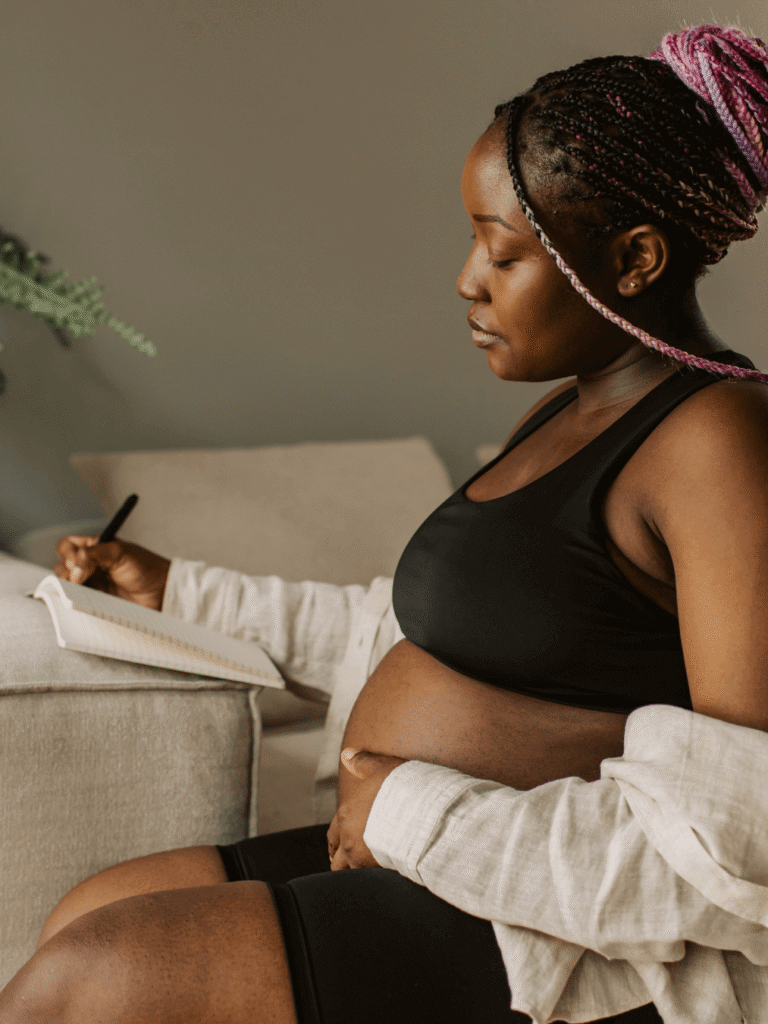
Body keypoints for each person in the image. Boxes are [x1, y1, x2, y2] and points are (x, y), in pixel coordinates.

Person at [3, 22, 768, 1024]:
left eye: (501, 251)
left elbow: (741, 832)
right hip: (436, 854)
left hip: (551, 931)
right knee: (88, 911)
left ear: (633, 259)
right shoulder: (574, 407)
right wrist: (179, 590)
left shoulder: (718, 440)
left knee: (94, 976)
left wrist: (412, 810)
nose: (466, 280)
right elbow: (430, 633)